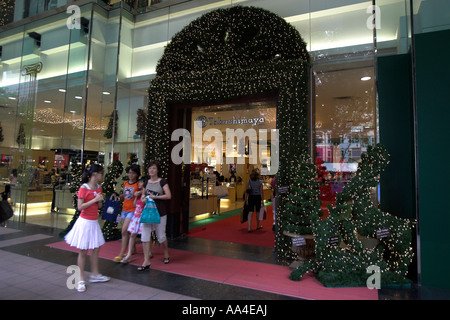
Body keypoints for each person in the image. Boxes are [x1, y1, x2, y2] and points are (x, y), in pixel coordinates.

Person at [64, 164, 110, 292]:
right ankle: (80, 280)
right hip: (84, 222)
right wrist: (94, 199)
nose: (102, 176)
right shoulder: (83, 188)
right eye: (101, 173)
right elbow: (80, 207)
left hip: (94, 222)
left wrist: (99, 200)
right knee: (83, 251)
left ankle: (95, 274)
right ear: (95, 174)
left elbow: (99, 206)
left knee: (96, 248)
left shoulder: (99, 188)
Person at [138, 160, 172, 271]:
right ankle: (146, 260)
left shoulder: (162, 181)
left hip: (160, 212)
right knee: (145, 236)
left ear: (157, 170)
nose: (151, 170)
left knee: (161, 236)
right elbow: (143, 196)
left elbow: (168, 196)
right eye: (149, 168)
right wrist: (143, 199)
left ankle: (166, 252)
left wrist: (156, 197)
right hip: (148, 213)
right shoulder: (146, 182)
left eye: (153, 168)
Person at [113, 164, 141, 263]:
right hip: (124, 209)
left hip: (133, 210)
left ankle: (122, 253)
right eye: (129, 173)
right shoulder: (125, 183)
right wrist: (118, 195)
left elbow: (139, 197)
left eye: (133, 173)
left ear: (137, 174)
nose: (130, 175)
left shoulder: (138, 184)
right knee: (128, 231)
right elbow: (126, 195)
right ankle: (132, 249)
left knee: (124, 231)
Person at [120, 177, 145, 264]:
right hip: (135, 215)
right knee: (132, 234)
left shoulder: (143, 193)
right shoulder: (127, 184)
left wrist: (141, 193)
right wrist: (135, 196)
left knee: (145, 236)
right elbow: (135, 203)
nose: (139, 184)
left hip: (142, 216)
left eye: (141, 182)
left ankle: (148, 253)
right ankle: (129, 253)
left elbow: (144, 201)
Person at [246, 168, 263, 232]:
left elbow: (246, 191)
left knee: (250, 212)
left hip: (251, 197)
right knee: (258, 211)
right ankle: (258, 225)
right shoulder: (260, 182)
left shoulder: (249, 181)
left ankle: (249, 227)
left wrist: (245, 199)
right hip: (257, 197)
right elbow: (261, 192)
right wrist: (262, 200)